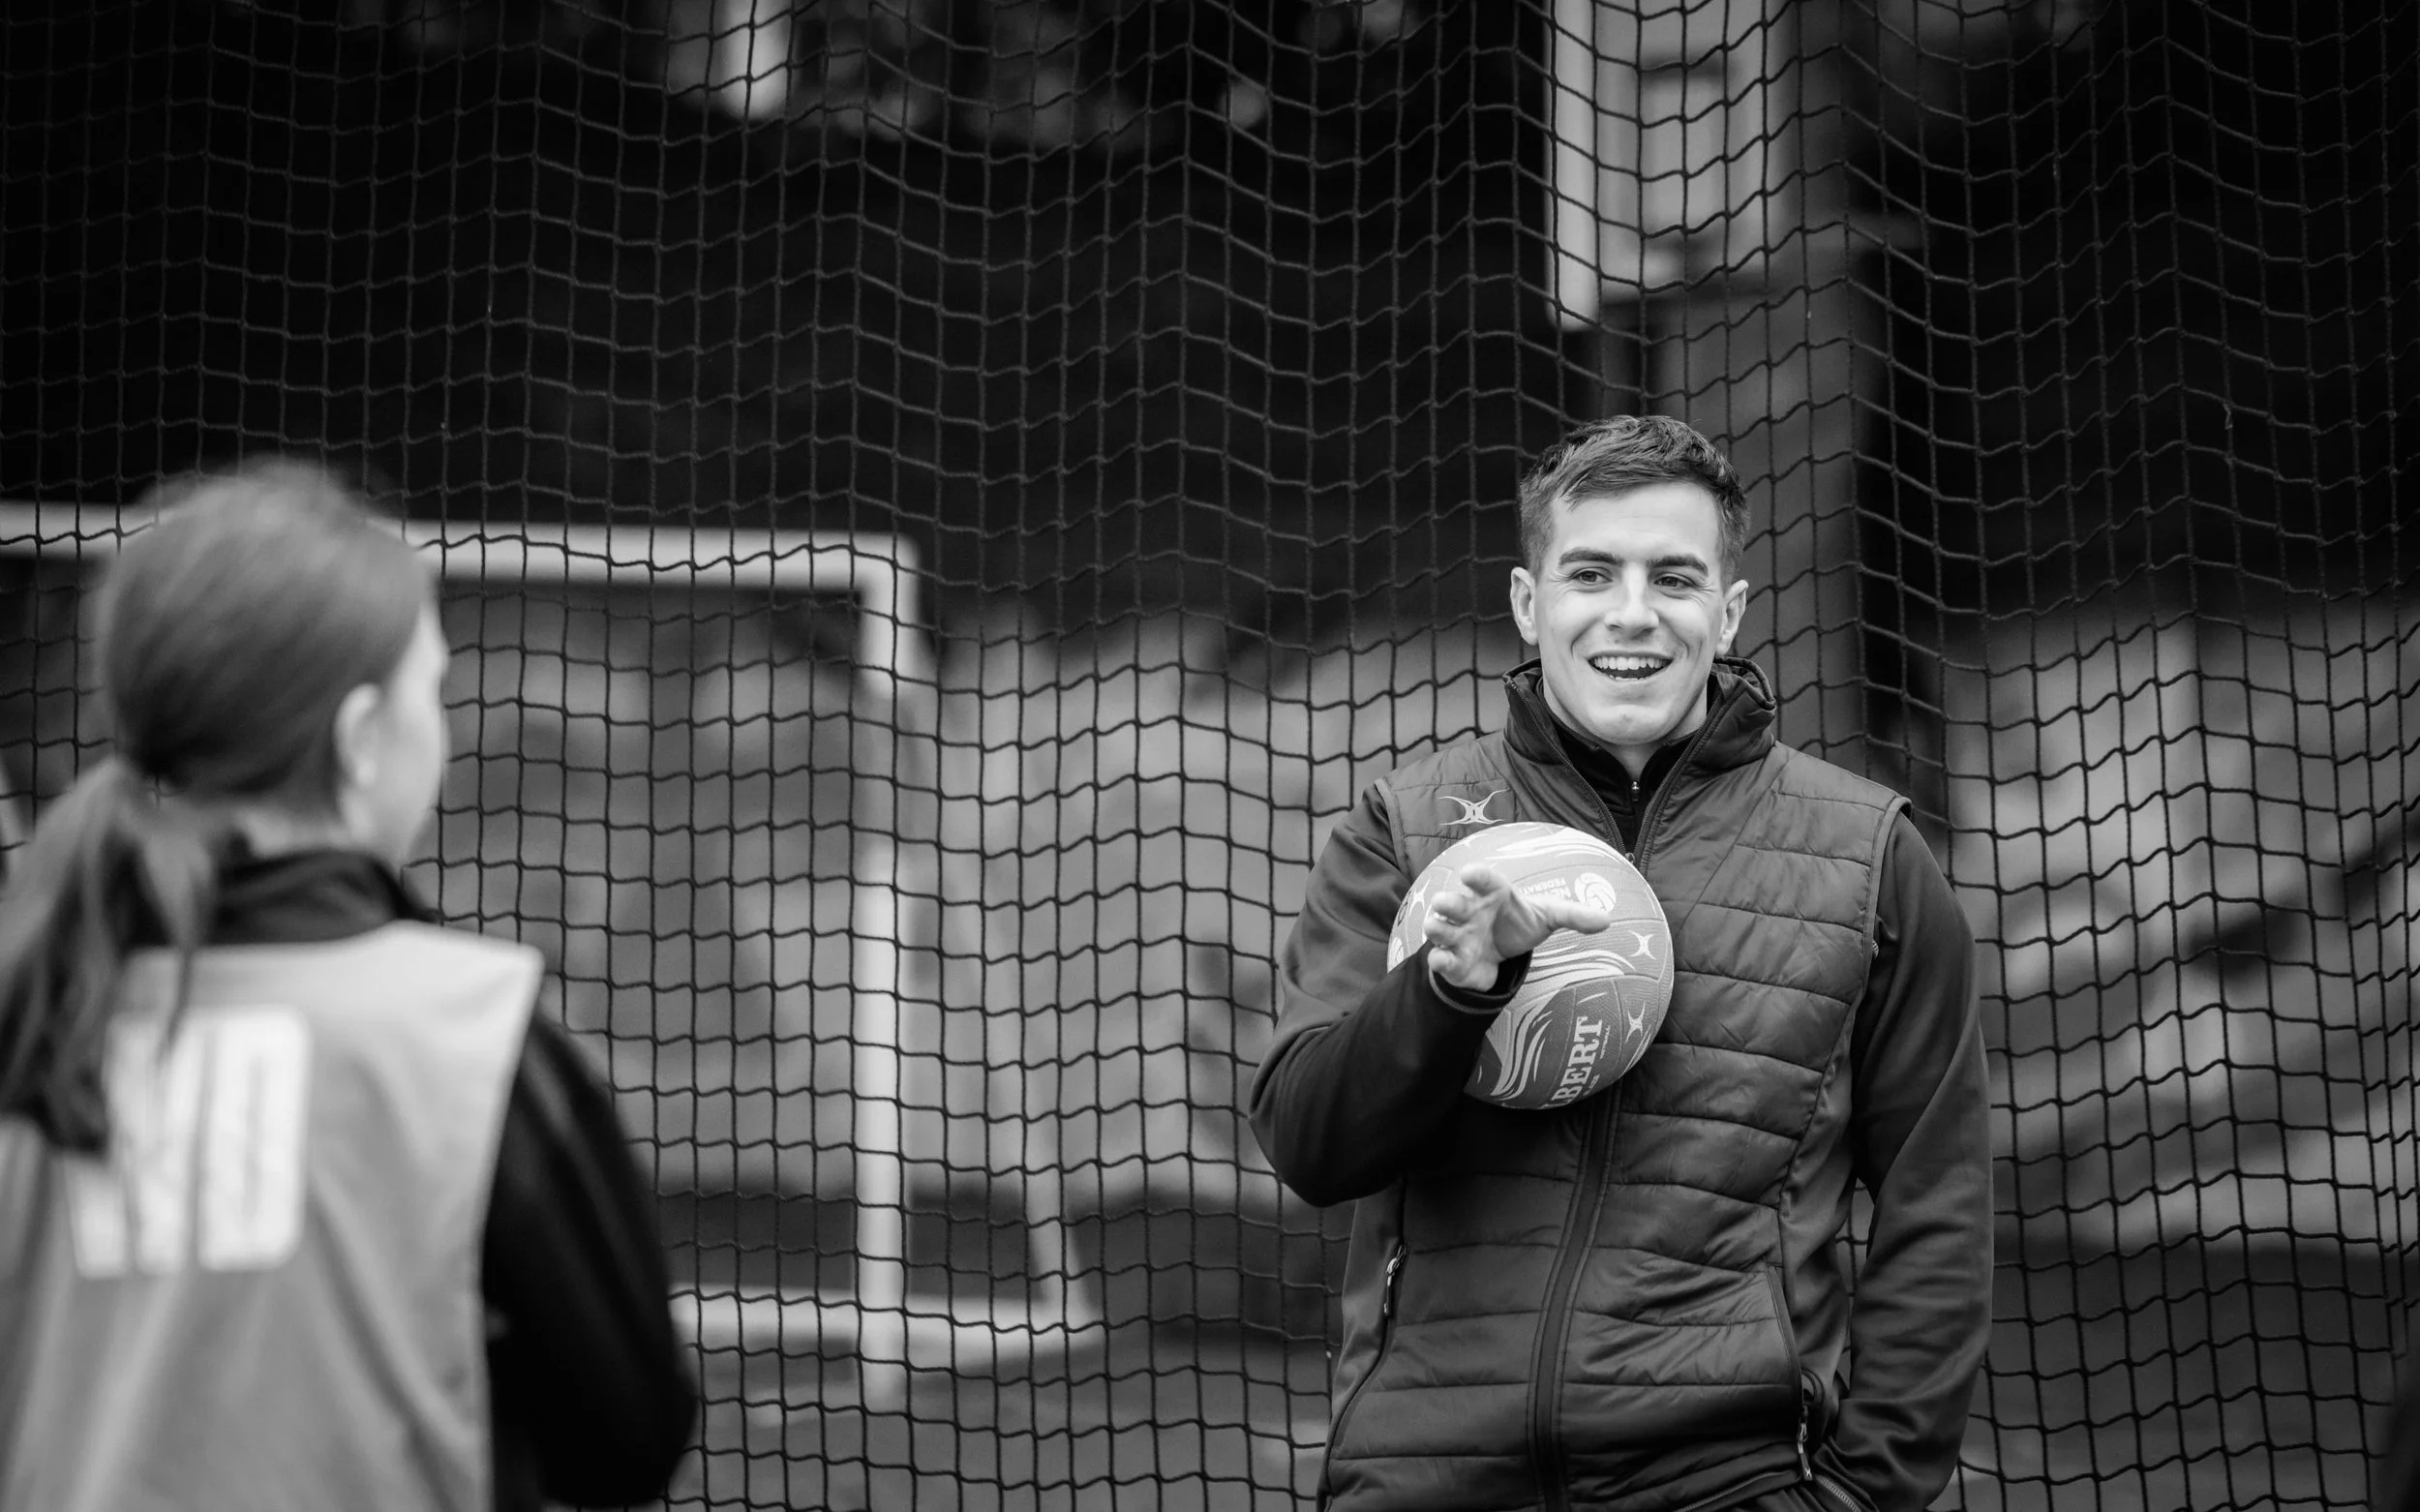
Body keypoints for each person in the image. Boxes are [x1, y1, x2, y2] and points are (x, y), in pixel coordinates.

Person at [1250, 415, 1993, 1512]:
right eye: (1591, 572)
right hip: (1424, 1473)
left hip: (1728, 1481)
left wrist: (1860, 1496)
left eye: (1674, 577)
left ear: (1727, 611)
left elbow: (1940, 1208)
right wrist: (1449, 990)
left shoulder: (1867, 854)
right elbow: (1310, 1145)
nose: (1632, 612)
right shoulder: (1405, 831)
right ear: (1528, 601)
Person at [0, 460, 698, 1512]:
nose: (445, 736)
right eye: (434, 690)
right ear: (361, 737)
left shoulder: (31, 1012)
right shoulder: (476, 1039)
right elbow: (627, 1444)